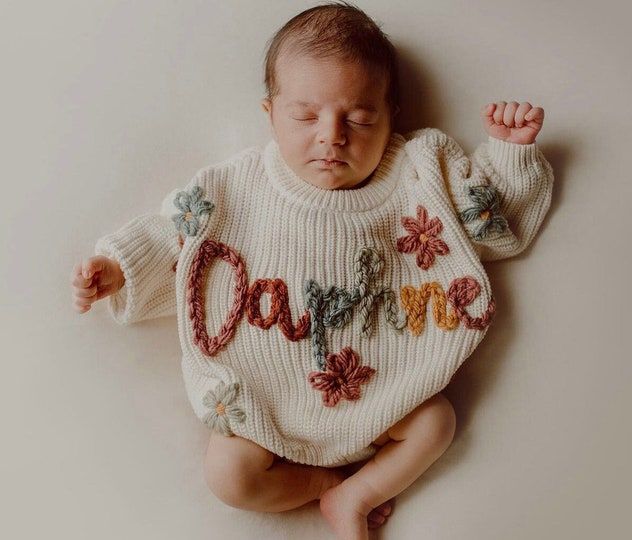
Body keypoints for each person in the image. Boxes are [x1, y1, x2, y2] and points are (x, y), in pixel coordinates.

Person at [70, 2, 553, 539]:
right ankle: (324, 484)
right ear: (270, 113)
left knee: (437, 423)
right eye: (305, 116)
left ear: (392, 114)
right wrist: (120, 267)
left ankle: (357, 494)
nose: (332, 135)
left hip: (386, 391)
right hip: (265, 397)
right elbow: (177, 236)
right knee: (228, 478)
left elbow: (492, 223)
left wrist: (509, 155)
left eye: (360, 117)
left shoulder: (420, 173)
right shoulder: (238, 188)